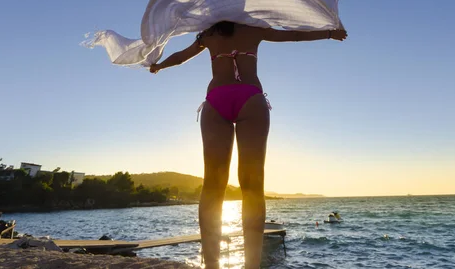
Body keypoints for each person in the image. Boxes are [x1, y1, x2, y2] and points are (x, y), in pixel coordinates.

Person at [149, 21, 347, 269]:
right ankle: (251, 265)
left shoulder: (208, 35)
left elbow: (180, 57)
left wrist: (159, 66)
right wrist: (328, 33)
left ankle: (212, 265)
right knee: (252, 184)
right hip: (250, 99)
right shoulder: (254, 29)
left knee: (212, 185)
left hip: (216, 101)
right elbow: (294, 35)